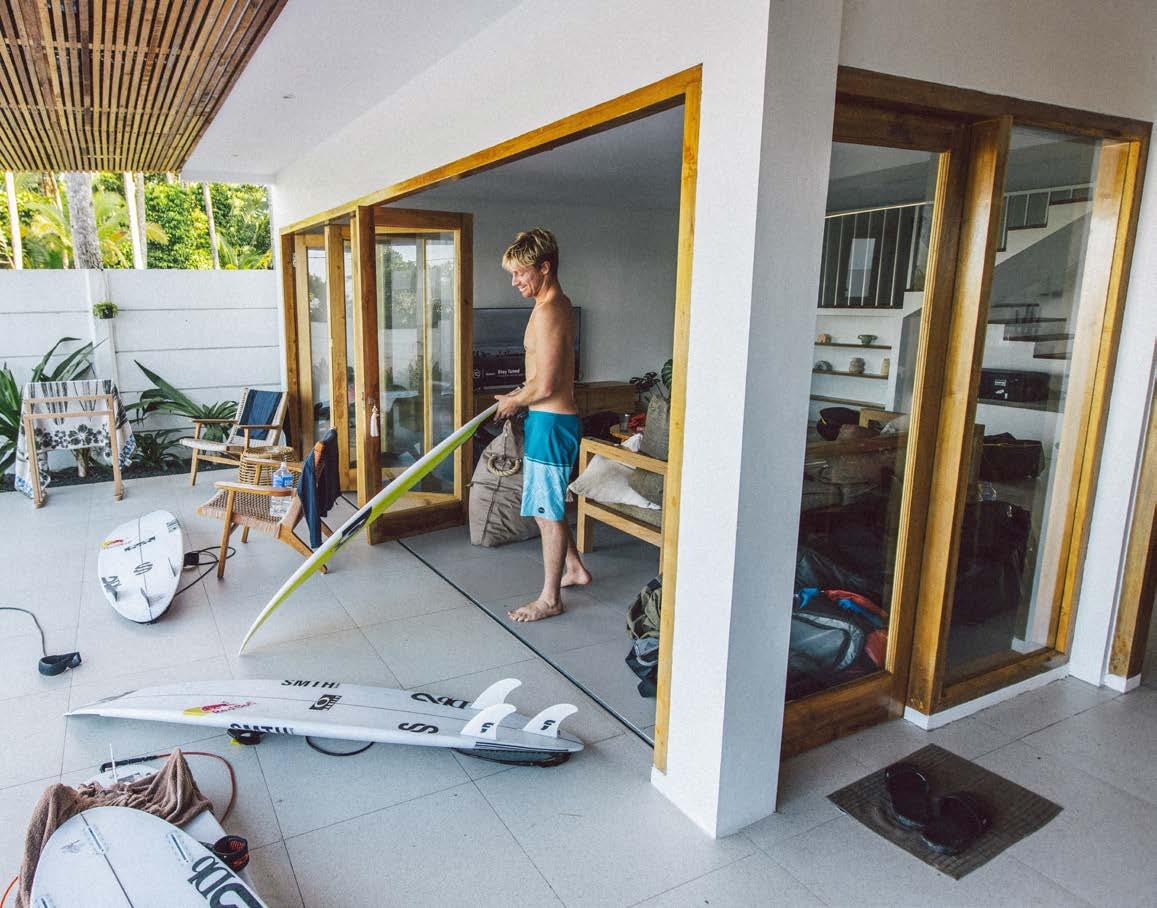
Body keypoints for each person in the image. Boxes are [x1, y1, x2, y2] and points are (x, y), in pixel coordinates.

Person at [494, 228, 592, 621]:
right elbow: (543, 374)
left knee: (546, 512)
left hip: (551, 424)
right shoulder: (554, 304)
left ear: (545, 267)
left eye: (520, 273)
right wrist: (520, 394)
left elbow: (548, 385)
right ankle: (574, 568)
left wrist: (515, 401)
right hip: (545, 418)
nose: (515, 281)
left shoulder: (551, 310)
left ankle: (550, 599)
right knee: (546, 505)